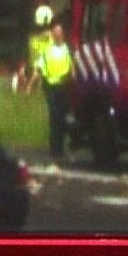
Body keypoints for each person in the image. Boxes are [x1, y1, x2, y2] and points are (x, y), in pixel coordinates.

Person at [36, 20, 74, 164]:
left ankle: (61, 147)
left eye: (59, 33)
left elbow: (72, 67)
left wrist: (71, 76)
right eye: (55, 33)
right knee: (54, 116)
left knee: (63, 117)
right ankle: (55, 148)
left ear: (63, 34)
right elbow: (40, 67)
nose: (57, 35)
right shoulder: (47, 50)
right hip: (51, 87)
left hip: (64, 87)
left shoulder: (68, 49)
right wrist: (32, 83)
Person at [19, 3, 55, 93]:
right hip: (40, 65)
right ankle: (30, 86)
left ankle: (32, 85)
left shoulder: (33, 36)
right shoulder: (46, 35)